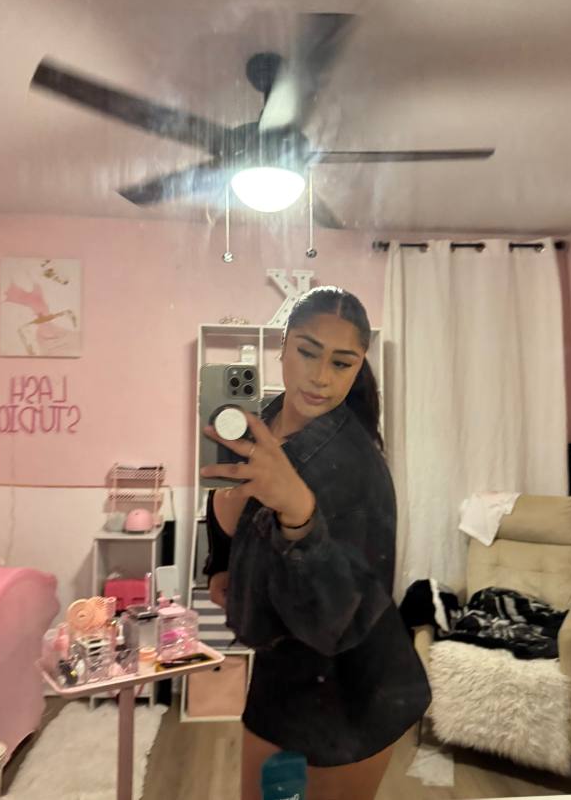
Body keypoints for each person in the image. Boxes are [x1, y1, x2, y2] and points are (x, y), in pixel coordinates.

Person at [202, 286, 430, 800]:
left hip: (352, 688)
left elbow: (340, 620)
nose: (321, 376)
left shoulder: (358, 471)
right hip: (281, 674)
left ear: (359, 366)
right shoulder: (260, 421)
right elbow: (225, 502)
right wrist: (220, 564)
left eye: (342, 363)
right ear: (282, 346)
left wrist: (300, 514)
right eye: (308, 351)